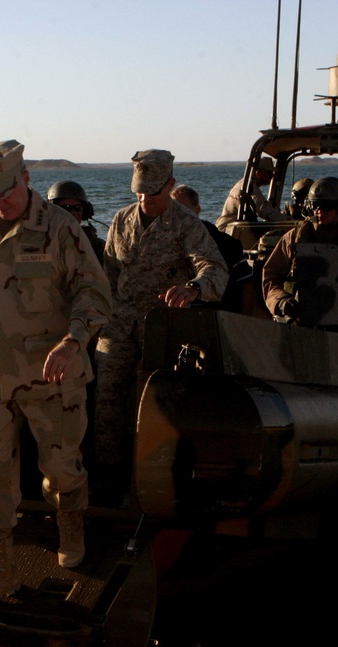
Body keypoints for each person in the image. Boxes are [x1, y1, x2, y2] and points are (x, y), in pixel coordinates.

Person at [0, 140, 112, 619]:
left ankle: (70, 523)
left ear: (26, 179)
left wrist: (73, 340)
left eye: (6, 191)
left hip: (52, 375)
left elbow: (94, 294)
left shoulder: (60, 228)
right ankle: (0, 568)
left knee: (62, 468)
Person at [94, 150, 228, 492]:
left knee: (157, 405)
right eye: (138, 192)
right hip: (121, 322)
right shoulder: (121, 220)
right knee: (106, 397)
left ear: (170, 185)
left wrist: (194, 289)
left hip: (163, 326)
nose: (144, 200)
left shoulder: (186, 224)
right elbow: (108, 275)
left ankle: (156, 483)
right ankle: (108, 477)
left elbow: (215, 269)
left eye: (152, 193)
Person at [262, 176, 338, 322]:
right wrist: (281, 301)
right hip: (300, 315)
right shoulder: (295, 237)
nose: (319, 211)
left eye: (326, 206)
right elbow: (270, 276)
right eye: (314, 205)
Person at [171, 184, 254, 314]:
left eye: (184, 211)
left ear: (197, 209)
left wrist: (245, 323)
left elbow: (246, 286)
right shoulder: (166, 243)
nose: (180, 218)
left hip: (219, 316)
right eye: (174, 212)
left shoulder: (225, 243)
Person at [216, 156, 291, 230]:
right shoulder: (249, 187)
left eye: (272, 173)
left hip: (230, 229)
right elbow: (264, 210)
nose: (272, 176)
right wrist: (290, 221)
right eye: (269, 173)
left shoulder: (244, 184)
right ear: (258, 173)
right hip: (229, 232)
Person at [47, 180, 106, 264]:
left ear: (85, 212)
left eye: (78, 208)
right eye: (66, 208)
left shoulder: (96, 246)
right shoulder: (41, 242)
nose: (72, 213)